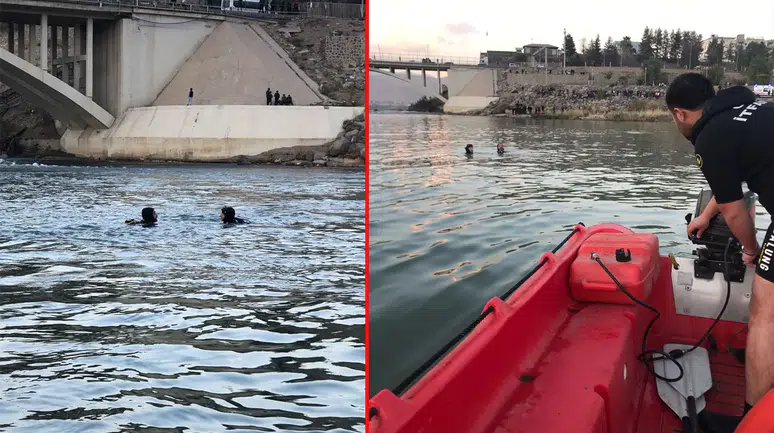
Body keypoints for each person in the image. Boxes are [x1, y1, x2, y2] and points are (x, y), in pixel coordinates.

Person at [668, 72, 774, 433]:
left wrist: (752, 249)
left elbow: (735, 209)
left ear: (679, 113)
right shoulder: (745, 110)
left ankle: (753, 420)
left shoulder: (709, 138)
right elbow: (733, 182)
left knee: (764, 314)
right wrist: (705, 215)